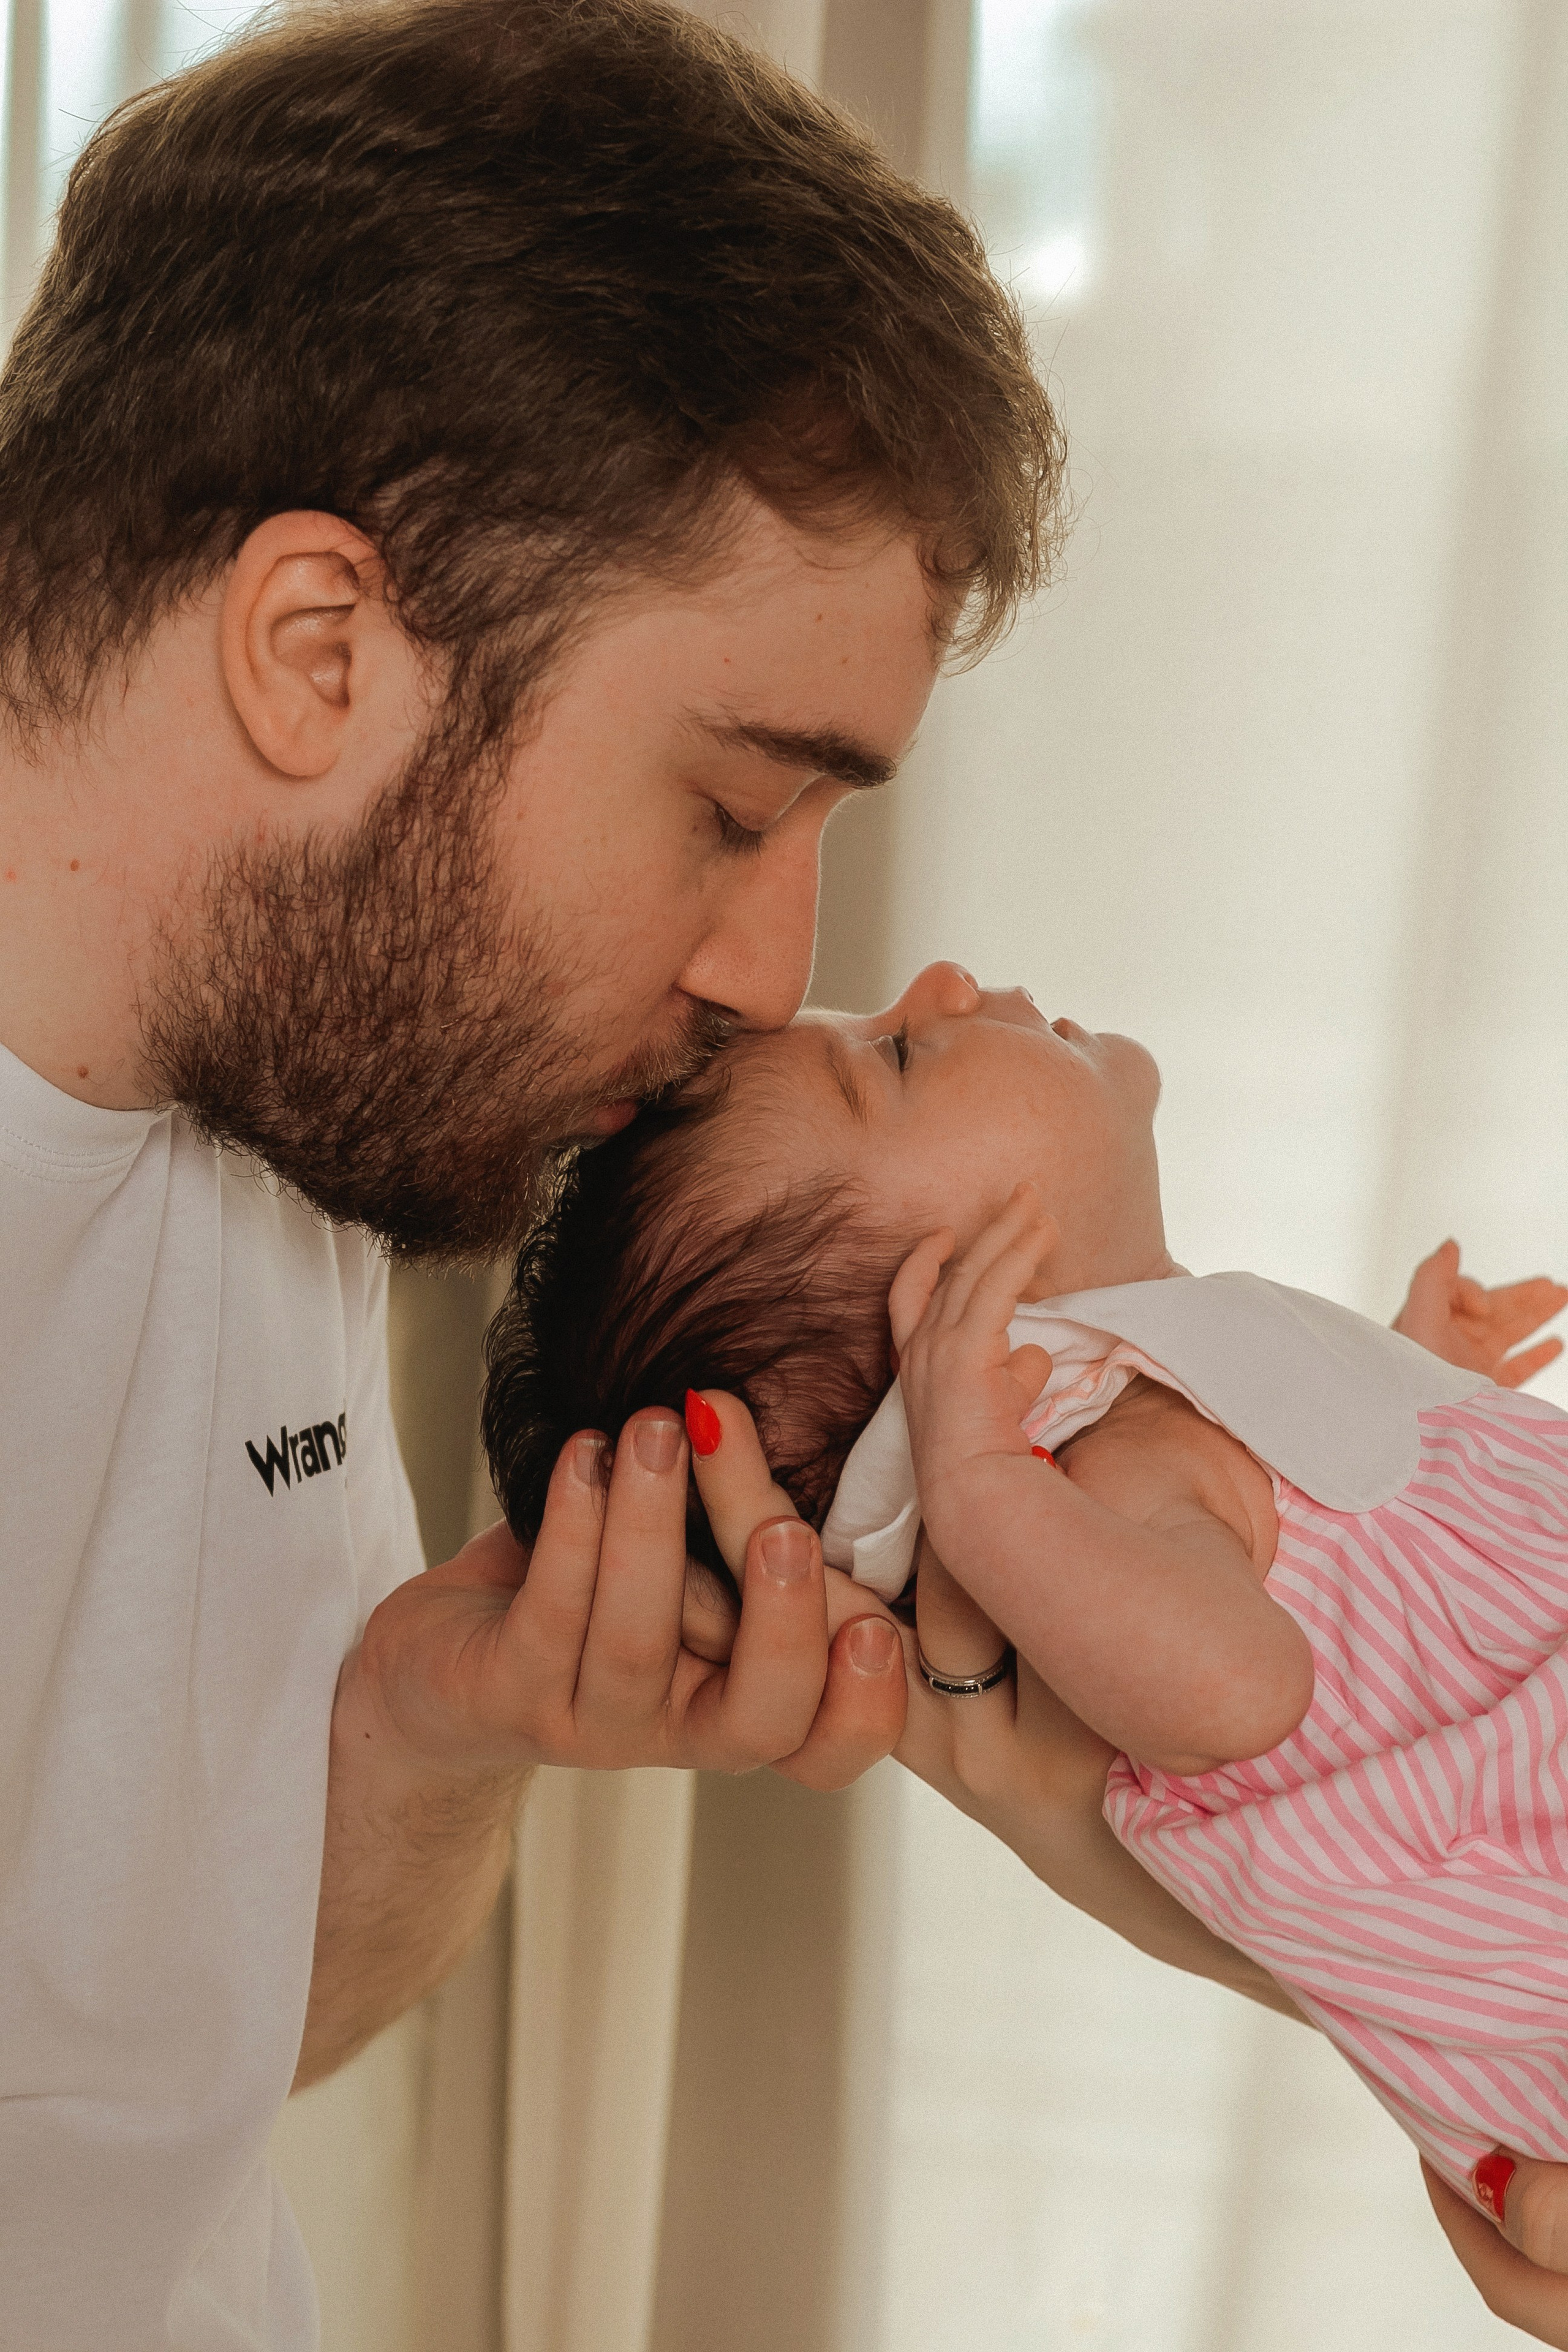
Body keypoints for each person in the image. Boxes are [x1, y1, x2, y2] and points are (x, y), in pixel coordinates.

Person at [0, 2, 1068, 2340]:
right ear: (319, 648)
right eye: (729, 806)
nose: (768, 970)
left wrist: (434, 1707)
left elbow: (195, 2059)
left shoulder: (295, 1084)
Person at [483, 957, 1568, 2337]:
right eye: (889, 1061)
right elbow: (1250, 1691)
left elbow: (1368, 1616)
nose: (935, 984)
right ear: (947, 1345)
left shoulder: (1173, 1426)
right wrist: (990, 1489)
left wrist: (1413, 1378)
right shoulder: (1106, 1467)